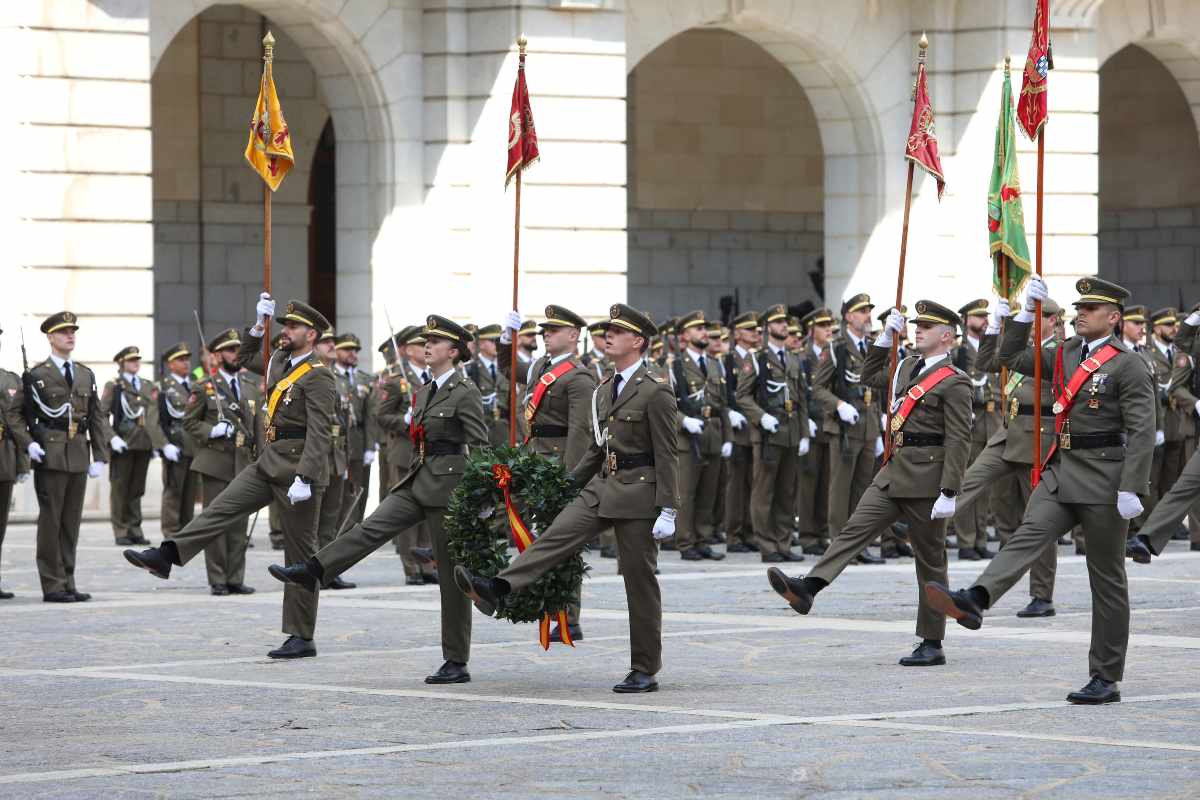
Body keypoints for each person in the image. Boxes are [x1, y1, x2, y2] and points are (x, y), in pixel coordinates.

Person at [926, 276, 1155, 704]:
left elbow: (1143, 429)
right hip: (1061, 467)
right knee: (1029, 532)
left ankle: (1105, 676)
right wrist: (1022, 316)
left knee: (1106, 580)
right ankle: (976, 597)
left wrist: (1132, 487)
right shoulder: (1066, 352)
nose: (1081, 313)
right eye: (1079, 307)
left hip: (1105, 479)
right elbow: (1009, 358)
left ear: (1114, 317)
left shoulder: (1129, 364)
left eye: (1091, 308)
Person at [455, 303, 679, 693]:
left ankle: (644, 666)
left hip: (639, 491)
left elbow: (667, 452)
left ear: (638, 341)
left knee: (638, 581)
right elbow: (597, 446)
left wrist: (669, 508)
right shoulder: (607, 386)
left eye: (617, 331)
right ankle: (499, 588)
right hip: (602, 485)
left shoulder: (655, 390)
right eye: (607, 330)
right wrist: (566, 485)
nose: (608, 335)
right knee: (555, 537)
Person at [271, 316, 487, 684]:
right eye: (425, 341)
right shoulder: (424, 390)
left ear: (453, 352)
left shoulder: (464, 391)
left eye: (435, 342)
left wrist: (482, 494)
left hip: (449, 488)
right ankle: (314, 571)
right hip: (418, 478)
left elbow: (481, 444)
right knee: (372, 527)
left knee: (451, 578)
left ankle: (456, 660)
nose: (426, 346)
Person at [124, 295, 336, 659]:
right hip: (269, 461)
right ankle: (167, 555)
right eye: (283, 325)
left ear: (312, 334)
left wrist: (306, 476)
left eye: (293, 327)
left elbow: (319, 431)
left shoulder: (319, 376)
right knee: (220, 508)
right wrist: (256, 326)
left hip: (298, 470)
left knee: (300, 555)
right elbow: (242, 358)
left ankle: (302, 635)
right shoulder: (280, 362)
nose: (285, 331)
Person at [769, 301, 972, 667]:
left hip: (928, 479)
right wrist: (883, 339)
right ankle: (809, 588)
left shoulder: (955, 381)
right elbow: (867, 375)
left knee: (930, 562)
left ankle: (932, 640)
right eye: (917, 324)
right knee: (853, 530)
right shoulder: (907, 366)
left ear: (946, 336)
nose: (918, 329)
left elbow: (959, 438)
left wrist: (949, 489)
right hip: (893, 470)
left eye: (926, 326)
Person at [948, 297, 1063, 617]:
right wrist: (995, 328)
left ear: (1053, 320)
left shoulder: (1061, 347)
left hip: (1039, 437)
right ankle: (929, 523)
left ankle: (1042, 595)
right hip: (1009, 430)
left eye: (1036, 317)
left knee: (1038, 518)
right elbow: (985, 363)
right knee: (967, 481)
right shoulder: (1020, 345)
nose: (1028, 323)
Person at [26, 312, 114, 601]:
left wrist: (100, 455)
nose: (70, 335)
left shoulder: (85, 374)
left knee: (71, 522)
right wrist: (28, 444)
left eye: (73, 331)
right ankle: (52, 584)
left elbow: (98, 418)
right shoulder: (37, 376)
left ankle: (68, 581)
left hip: (78, 453)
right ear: (50, 337)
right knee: (51, 522)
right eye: (63, 332)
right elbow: (23, 416)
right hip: (50, 455)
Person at [182, 328, 260, 596]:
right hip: (216, 462)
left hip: (243, 463)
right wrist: (210, 431)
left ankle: (235, 576)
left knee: (239, 523)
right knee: (216, 523)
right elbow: (189, 421)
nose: (236, 355)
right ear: (216, 355)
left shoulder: (250, 386)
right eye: (230, 350)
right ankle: (217, 578)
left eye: (239, 350)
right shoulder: (204, 387)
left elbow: (257, 426)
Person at [736, 303, 811, 562]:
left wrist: (804, 434)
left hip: (790, 434)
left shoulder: (792, 358)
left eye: (785, 322)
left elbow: (801, 398)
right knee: (764, 492)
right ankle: (767, 546)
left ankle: (783, 542)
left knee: (786, 493)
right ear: (768, 328)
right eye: (778, 322)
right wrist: (761, 417)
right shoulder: (756, 360)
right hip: (768, 435)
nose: (784, 326)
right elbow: (742, 397)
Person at [814, 294, 886, 564]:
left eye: (869, 310)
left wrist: (879, 423)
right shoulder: (836, 348)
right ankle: (839, 545)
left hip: (867, 427)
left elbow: (874, 386)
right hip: (844, 429)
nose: (868, 315)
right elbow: (818, 388)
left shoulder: (870, 346)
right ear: (848, 317)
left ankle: (858, 545)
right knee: (840, 489)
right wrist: (839, 404)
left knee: (862, 490)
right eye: (862, 311)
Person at [375, 325, 438, 585]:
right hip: (404, 452)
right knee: (406, 511)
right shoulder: (395, 379)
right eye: (419, 344)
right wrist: (403, 420)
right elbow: (380, 415)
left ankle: (427, 565)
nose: (425, 348)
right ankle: (411, 567)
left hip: (429, 453)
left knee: (426, 510)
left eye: (427, 343)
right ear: (405, 349)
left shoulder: (432, 377)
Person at [670, 310, 729, 561]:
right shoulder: (675, 366)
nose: (704, 333)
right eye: (698, 329)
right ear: (685, 336)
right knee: (687, 493)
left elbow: (723, 402)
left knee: (708, 492)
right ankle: (686, 542)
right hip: (687, 437)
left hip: (712, 433)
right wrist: (684, 421)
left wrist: (727, 438)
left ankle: (703, 539)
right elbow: (666, 405)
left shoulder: (715, 364)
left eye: (705, 328)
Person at [101, 346, 166, 545]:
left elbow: (153, 416)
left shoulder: (147, 385)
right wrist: (112, 438)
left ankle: (135, 528)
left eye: (137, 359)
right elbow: (101, 415)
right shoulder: (114, 385)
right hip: (124, 443)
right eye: (131, 360)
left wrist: (156, 442)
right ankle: (121, 531)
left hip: (144, 443)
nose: (135, 363)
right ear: (121, 363)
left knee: (137, 489)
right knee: (120, 489)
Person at [313, 328, 356, 590]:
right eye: (325, 342)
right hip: (316, 455)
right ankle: (311, 568)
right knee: (313, 520)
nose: (331, 345)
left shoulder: (338, 378)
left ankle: (327, 568)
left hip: (337, 455)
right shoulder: (308, 373)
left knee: (331, 518)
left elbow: (344, 421)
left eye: (332, 341)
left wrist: (347, 457)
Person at [796, 307, 835, 555]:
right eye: (823, 326)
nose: (829, 330)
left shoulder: (832, 355)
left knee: (825, 484)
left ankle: (821, 533)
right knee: (809, 483)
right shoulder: (802, 357)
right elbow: (800, 392)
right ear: (812, 331)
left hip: (828, 425)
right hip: (810, 424)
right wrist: (804, 421)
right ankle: (808, 535)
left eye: (830, 325)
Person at [723, 312, 759, 553]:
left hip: (753, 427)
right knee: (735, 485)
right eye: (749, 330)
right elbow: (723, 392)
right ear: (737, 334)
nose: (755, 333)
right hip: (736, 428)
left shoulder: (757, 359)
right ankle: (734, 535)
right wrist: (728, 413)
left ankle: (748, 530)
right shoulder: (728, 360)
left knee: (751, 482)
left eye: (756, 329)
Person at [0, 328, 31, 599]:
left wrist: (23, 463)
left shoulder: (11, 378)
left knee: (0, 525)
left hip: (4, 459)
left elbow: (17, 424)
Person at [335, 333, 377, 531]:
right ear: (336, 351)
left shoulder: (365, 379)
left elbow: (370, 416)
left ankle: (354, 528)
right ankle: (337, 528)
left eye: (355, 350)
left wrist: (370, 446)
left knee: (360, 486)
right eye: (347, 349)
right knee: (339, 487)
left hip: (359, 439)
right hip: (339, 439)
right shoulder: (329, 376)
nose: (352, 353)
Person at [158, 342, 197, 539]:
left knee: (190, 493)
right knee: (174, 491)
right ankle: (171, 532)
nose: (186, 363)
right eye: (181, 360)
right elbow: (155, 419)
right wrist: (164, 444)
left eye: (187, 359)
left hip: (194, 446)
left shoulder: (195, 385)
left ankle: (186, 530)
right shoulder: (163, 388)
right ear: (170, 364)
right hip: (176, 444)